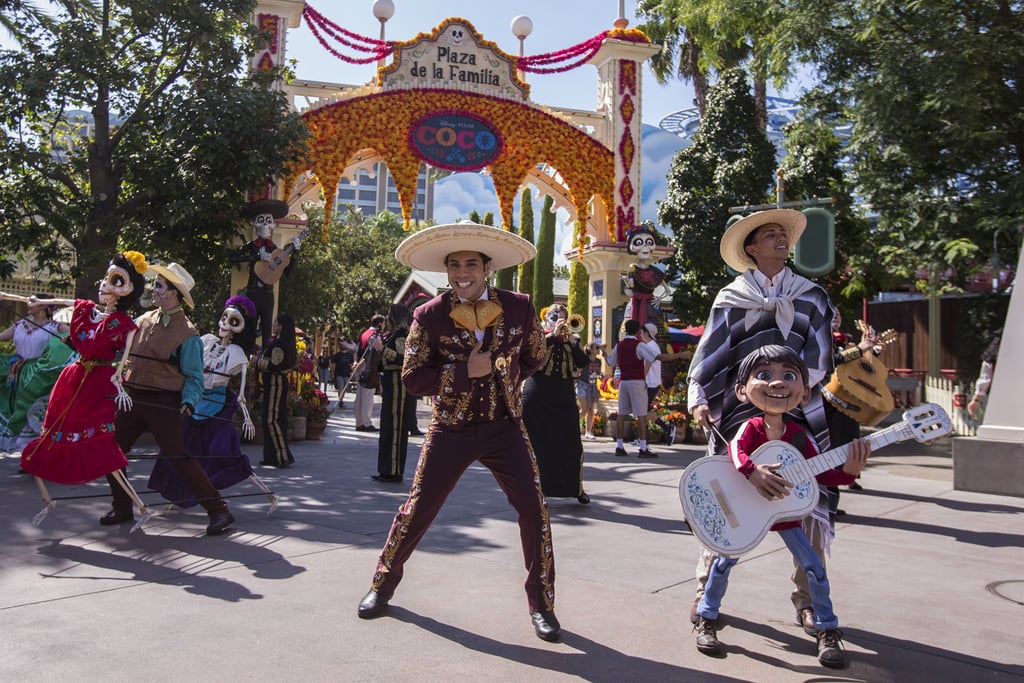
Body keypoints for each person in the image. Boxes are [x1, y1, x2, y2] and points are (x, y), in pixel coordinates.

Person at [357, 221, 560, 643]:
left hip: (505, 425)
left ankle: (541, 604)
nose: (462, 272)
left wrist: (506, 378)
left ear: (487, 268)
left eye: (471, 263)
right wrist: (464, 373)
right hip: (450, 427)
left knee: (534, 510)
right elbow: (413, 377)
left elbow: (536, 356)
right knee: (417, 509)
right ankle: (382, 584)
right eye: (454, 265)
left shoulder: (520, 306)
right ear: (446, 270)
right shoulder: (427, 315)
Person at [686, 208, 835, 633]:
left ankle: (808, 602)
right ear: (752, 247)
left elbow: (820, 357)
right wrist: (699, 397)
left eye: (784, 234)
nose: (781, 240)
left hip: (798, 413)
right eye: (771, 234)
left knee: (807, 505)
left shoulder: (812, 296)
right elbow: (710, 356)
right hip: (739, 415)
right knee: (723, 508)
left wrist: (789, 393)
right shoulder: (732, 297)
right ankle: (704, 595)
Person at [692, 345, 869, 669]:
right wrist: (752, 471)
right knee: (723, 563)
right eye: (764, 375)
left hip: (784, 515)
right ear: (742, 391)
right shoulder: (752, 428)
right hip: (746, 511)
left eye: (789, 376)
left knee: (813, 565)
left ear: (804, 392)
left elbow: (820, 471)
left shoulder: (799, 435)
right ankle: (706, 617)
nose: (778, 383)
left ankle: (827, 628)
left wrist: (849, 471)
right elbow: (735, 451)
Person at [101, 261, 235, 535]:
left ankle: (218, 510)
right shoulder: (143, 319)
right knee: (110, 452)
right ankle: (123, 506)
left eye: (159, 285)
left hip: (164, 401)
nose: (154, 289)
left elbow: (195, 376)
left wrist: (189, 401)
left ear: (173, 293)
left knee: (178, 456)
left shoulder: (188, 334)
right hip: (133, 396)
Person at [18, 253, 150, 522]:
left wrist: (119, 381)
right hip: (75, 376)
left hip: (99, 382)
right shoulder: (88, 312)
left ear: (127, 290)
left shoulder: (124, 324)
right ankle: (47, 496)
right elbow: (61, 301)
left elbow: (124, 360)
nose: (104, 285)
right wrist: (36, 301)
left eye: (114, 281)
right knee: (55, 430)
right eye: (106, 278)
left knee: (100, 441)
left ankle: (136, 505)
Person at [148, 295, 267, 507]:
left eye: (234, 322)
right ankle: (180, 492)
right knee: (180, 448)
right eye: (224, 318)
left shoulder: (237, 353)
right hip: (195, 401)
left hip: (216, 407)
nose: (226, 326)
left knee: (223, 453)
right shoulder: (207, 341)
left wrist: (247, 417)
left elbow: (240, 393)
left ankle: (250, 492)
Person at [523, 303, 590, 504]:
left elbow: (583, 363)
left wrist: (570, 342)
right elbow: (530, 355)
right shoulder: (537, 336)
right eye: (555, 317)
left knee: (571, 444)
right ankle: (534, 489)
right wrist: (553, 335)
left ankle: (576, 488)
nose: (560, 321)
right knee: (536, 444)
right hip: (538, 395)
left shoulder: (572, 340)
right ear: (545, 319)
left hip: (563, 396)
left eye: (563, 318)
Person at [0, 293, 74, 450]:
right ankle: (24, 449)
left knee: (32, 408)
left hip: (39, 374)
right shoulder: (20, 324)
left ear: (43, 306)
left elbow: (76, 337)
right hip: (17, 371)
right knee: (17, 407)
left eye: (32, 302)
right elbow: (1, 337)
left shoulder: (55, 327)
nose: (28, 304)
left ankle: (32, 449)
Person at [229, 199, 300, 347]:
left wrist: (296, 253)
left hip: (268, 294)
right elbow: (234, 258)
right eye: (262, 221)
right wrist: (255, 257)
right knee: (250, 326)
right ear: (256, 224)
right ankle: (246, 353)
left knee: (268, 326)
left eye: (269, 221)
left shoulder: (276, 251)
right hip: (253, 292)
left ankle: (265, 356)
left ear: (273, 225)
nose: (266, 225)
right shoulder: (252, 246)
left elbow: (287, 273)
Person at [369, 303, 413, 482]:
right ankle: (386, 469)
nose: (386, 317)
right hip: (389, 385)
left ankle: (393, 470)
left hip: (397, 387)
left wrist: (382, 349)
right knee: (387, 427)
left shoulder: (402, 335)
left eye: (389, 314)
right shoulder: (393, 335)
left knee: (394, 428)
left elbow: (403, 360)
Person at [606, 319, 655, 458]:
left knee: (622, 413)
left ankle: (620, 446)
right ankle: (643, 448)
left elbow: (610, 361)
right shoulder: (639, 345)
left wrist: (604, 352)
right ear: (638, 331)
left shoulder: (619, 345)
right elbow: (652, 357)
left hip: (624, 381)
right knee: (641, 415)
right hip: (636, 381)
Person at [258, 312, 297, 468]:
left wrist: (257, 362)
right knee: (271, 418)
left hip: (276, 383)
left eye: (276, 323)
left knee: (272, 419)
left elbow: (275, 365)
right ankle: (271, 457)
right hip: (273, 384)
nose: (273, 325)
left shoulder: (280, 344)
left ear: (281, 326)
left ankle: (282, 456)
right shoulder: (280, 342)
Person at [638, 321, 682, 446]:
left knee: (642, 411)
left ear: (647, 333)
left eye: (642, 332)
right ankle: (644, 439)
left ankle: (667, 429)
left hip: (649, 382)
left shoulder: (650, 346)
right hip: (652, 382)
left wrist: (642, 378)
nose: (641, 334)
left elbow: (648, 363)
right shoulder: (653, 345)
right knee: (643, 411)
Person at [353, 314, 384, 432]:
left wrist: (356, 365)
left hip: (361, 368)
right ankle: (366, 423)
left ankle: (359, 422)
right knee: (367, 397)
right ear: (380, 324)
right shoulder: (375, 336)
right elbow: (370, 354)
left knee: (360, 397)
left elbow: (358, 351)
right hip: (369, 368)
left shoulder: (364, 334)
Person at [967, 330, 1001, 418]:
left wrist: (976, 399)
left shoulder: (992, 357)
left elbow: (985, 378)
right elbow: (986, 377)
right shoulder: (992, 357)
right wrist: (976, 400)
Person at [577, 342, 603, 440]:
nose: (598, 349)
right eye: (596, 347)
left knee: (591, 410)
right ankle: (572, 426)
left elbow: (597, 373)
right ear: (591, 349)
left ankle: (588, 431)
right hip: (582, 384)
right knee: (584, 408)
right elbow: (579, 370)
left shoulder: (598, 361)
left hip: (592, 386)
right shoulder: (585, 360)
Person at [331, 340, 356, 406]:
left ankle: (341, 398)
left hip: (347, 374)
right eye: (342, 344)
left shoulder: (350, 356)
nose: (343, 346)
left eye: (344, 345)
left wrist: (353, 373)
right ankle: (340, 400)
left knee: (344, 388)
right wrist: (332, 374)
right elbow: (333, 365)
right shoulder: (337, 355)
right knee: (340, 387)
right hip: (339, 374)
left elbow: (351, 365)